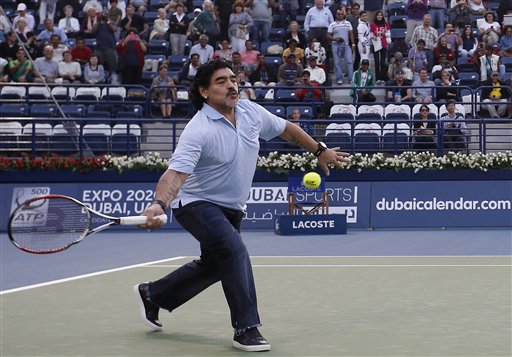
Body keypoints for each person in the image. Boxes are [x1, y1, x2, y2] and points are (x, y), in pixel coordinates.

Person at [134, 58, 349, 352]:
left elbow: (287, 129)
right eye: (221, 82)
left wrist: (319, 149)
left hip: (233, 207)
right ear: (204, 92)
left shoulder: (249, 111)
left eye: (233, 79)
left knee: (215, 265)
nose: (232, 85)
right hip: (197, 203)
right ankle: (246, 328)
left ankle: (154, 294)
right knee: (234, 250)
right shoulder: (198, 130)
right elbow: (176, 174)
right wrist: (159, 204)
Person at [328, 8, 354, 85]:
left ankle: (351, 79)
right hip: (336, 45)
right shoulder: (332, 24)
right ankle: (339, 79)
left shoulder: (348, 23)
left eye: (341, 14)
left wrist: (353, 44)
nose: (340, 15)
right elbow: (328, 35)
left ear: (344, 15)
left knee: (349, 61)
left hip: (346, 44)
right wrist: (335, 38)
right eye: (338, 14)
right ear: (336, 15)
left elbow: (351, 34)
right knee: (337, 63)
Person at [369, 10, 390, 84]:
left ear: (382, 16)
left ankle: (383, 77)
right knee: (377, 62)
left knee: (383, 62)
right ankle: (378, 78)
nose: (379, 16)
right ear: (376, 16)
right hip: (376, 44)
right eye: (378, 15)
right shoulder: (372, 24)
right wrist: (373, 37)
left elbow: (388, 34)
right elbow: (370, 34)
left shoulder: (386, 24)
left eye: (381, 15)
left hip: (384, 44)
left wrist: (385, 34)